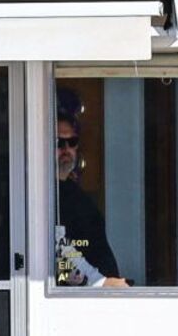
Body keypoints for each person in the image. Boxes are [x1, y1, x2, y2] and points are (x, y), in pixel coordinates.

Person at [54, 93, 125, 284]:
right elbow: (59, 249)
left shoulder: (77, 194)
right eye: (59, 143)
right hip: (75, 297)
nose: (66, 149)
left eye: (72, 142)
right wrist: (100, 282)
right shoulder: (43, 196)